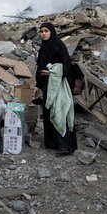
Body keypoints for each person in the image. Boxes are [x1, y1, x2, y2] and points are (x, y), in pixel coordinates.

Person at [34, 22, 77, 155]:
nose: (43, 34)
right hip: (47, 85)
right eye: (41, 31)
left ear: (51, 31)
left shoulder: (58, 45)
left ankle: (66, 146)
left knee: (59, 111)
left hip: (58, 84)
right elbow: (40, 67)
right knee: (48, 112)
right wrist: (37, 85)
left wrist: (52, 72)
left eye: (46, 31)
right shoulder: (44, 47)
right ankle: (52, 143)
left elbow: (67, 65)